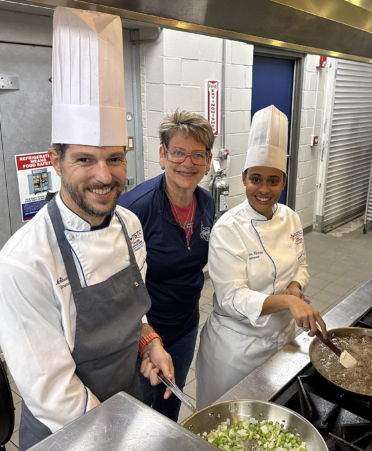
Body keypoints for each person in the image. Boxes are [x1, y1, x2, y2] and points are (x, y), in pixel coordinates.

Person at [0, 8, 173, 450]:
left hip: (126, 405)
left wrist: (148, 341)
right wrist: (123, 438)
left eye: (114, 157)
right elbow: (53, 394)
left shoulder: (131, 225)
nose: (104, 175)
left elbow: (131, 316)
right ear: (55, 162)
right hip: (70, 432)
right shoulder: (24, 261)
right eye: (85, 159)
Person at [196, 105, 327, 409]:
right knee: (229, 429)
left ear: (283, 180)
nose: (264, 189)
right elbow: (231, 298)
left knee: (274, 424)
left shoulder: (291, 219)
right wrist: (290, 303)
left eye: (273, 180)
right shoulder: (227, 228)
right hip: (235, 349)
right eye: (256, 179)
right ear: (243, 178)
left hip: (284, 340)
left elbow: (301, 265)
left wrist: (295, 286)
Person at [118, 110, 215, 421]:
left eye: (197, 154)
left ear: (208, 161)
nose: (187, 163)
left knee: (172, 403)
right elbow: (120, 287)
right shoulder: (135, 209)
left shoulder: (207, 203)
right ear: (162, 155)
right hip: (142, 336)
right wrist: (147, 340)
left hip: (185, 327)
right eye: (177, 152)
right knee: (142, 413)